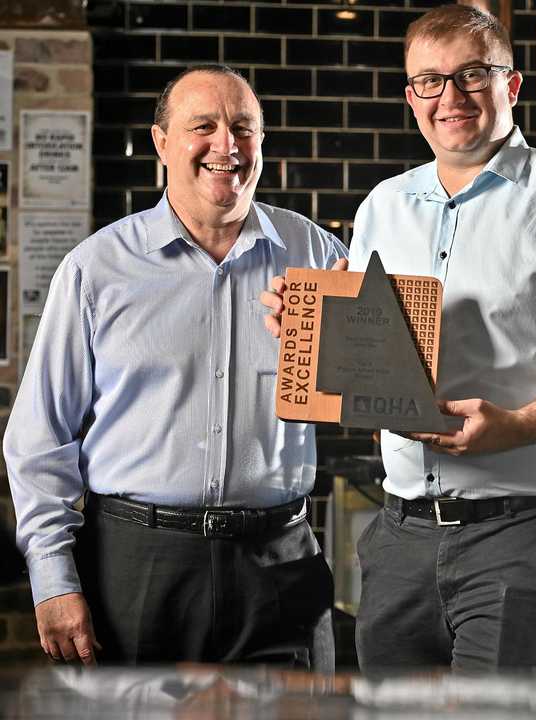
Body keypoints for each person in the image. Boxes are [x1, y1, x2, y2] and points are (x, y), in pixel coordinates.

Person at [261, 5, 536, 671]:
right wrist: (312, 327)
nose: (451, 97)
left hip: (526, 536)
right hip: (400, 536)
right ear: (411, 96)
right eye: (430, 80)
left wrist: (517, 425)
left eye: (472, 74)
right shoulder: (382, 207)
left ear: (511, 85)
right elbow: (376, 357)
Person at [4, 64, 347, 668]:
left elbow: (380, 391)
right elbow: (38, 441)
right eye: (204, 126)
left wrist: (349, 354)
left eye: (244, 127)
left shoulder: (320, 257)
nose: (227, 145)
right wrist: (54, 578)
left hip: (281, 565)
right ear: (162, 142)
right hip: (136, 566)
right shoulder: (96, 271)